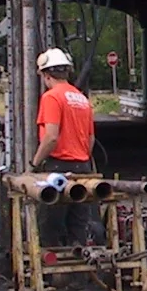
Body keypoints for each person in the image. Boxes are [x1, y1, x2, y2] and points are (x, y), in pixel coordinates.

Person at [30, 48, 99, 245]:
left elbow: (51, 137)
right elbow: (90, 139)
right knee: (77, 227)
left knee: (50, 227)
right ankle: (77, 273)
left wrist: (35, 163)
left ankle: (51, 274)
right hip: (83, 169)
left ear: (45, 74)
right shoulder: (81, 98)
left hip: (59, 169)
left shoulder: (52, 97)